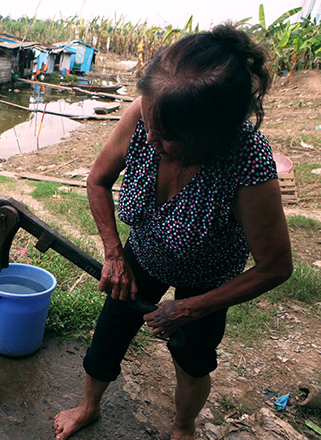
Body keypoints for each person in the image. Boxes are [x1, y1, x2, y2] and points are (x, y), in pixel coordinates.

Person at [54, 24, 292, 440]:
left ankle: (183, 426)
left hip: (209, 276)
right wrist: (114, 253)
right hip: (142, 253)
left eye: (168, 138)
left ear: (213, 134)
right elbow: (97, 181)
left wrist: (191, 308)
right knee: (109, 333)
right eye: (149, 124)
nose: (150, 140)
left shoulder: (248, 163)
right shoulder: (149, 112)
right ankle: (88, 406)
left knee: (192, 357)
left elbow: (275, 267)